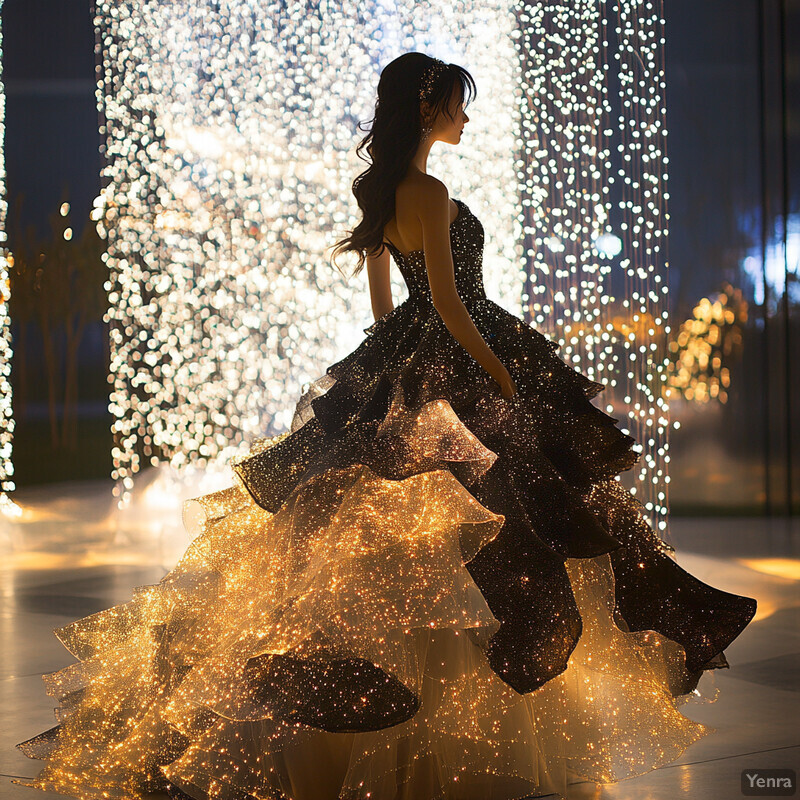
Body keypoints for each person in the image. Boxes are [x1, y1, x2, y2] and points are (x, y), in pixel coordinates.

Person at [15, 52, 757, 800]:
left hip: (409, 355)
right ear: (429, 107)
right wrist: (494, 374)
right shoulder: (429, 191)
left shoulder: (379, 193)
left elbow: (387, 306)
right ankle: (452, 723)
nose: (465, 120)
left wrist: (396, 374)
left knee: (423, 532)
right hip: (459, 349)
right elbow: (449, 300)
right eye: (458, 106)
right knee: (505, 519)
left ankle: (418, 720)